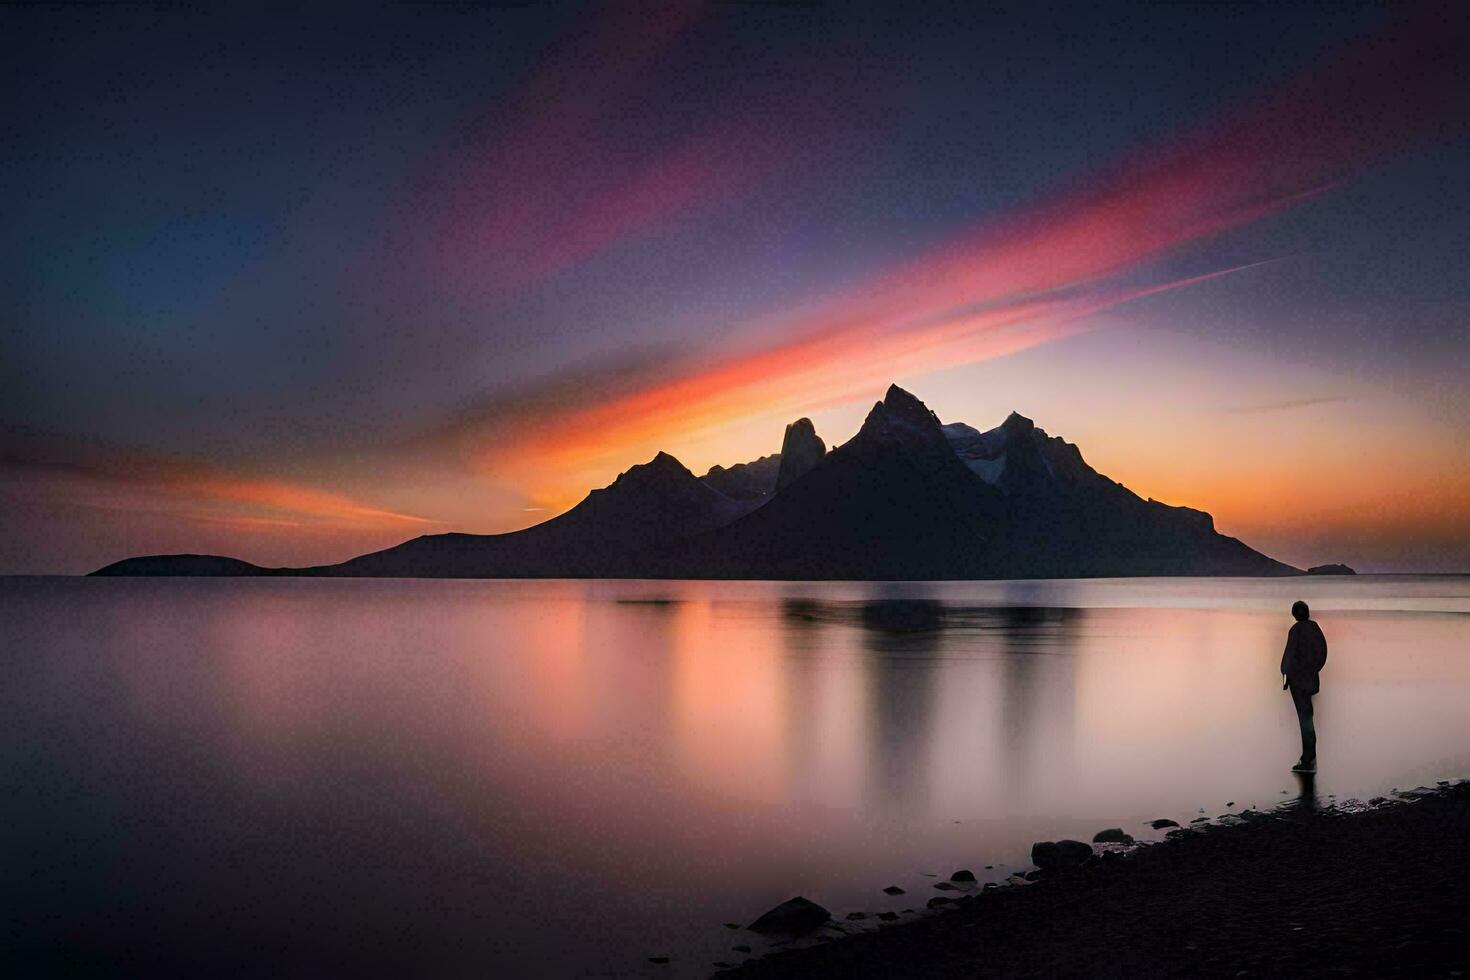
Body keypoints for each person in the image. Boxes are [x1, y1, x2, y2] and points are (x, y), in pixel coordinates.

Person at [1280, 600, 1328, 772]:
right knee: (1308, 717)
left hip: (1298, 681)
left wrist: (1285, 675)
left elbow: (1289, 656)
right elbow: (1323, 652)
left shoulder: (1296, 630)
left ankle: (1308, 759)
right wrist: (1315, 668)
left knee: (1304, 719)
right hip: (1311, 679)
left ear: (1295, 614)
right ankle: (1309, 756)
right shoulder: (1314, 628)